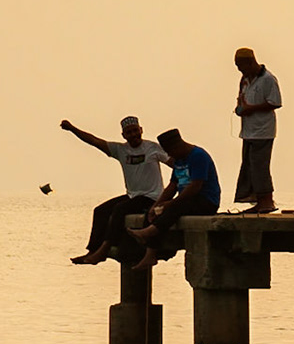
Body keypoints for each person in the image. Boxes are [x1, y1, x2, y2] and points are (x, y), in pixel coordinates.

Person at [60, 115, 166, 264]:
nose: (133, 135)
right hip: (132, 196)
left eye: (135, 131)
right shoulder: (120, 150)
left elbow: (174, 162)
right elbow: (94, 141)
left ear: (141, 130)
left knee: (119, 209)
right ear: (124, 135)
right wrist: (72, 129)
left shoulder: (153, 148)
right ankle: (93, 250)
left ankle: (104, 250)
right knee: (100, 211)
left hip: (152, 197)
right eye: (129, 132)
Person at [128, 129, 222, 271]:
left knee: (175, 206)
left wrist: (170, 204)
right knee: (152, 212)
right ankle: (150, 255)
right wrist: (156, 205)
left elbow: (195, 186)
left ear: (177, 146)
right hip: (186, 201)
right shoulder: (179, 160)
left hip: (205, 201)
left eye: (170, 152)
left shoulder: (198, 156)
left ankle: (148, 232)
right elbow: (173, 186)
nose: (170, 156)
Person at [232, 46, 282, 213]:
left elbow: (275, 102)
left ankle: (266, 201)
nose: (240, 70)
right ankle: (255, 199)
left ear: (250, 62)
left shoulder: (268, 79)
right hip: (248, 131)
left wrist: (251, 109)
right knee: (249, 166)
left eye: (241, 66)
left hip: (263, 131)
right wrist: (240, 108)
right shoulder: (245, 80)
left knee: (260, 166)